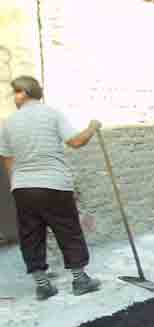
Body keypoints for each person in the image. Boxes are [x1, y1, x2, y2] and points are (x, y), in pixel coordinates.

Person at [0, 76, 102, 301]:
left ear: (24, 93)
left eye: (15, 93)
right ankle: (80, 280)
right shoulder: (52, 114)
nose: (14, 98)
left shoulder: (8, 122)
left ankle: (43, 286)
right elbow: (75, 142)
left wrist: (15, 181)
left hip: (23, 188)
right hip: (54, 184)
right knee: (68, 230)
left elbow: (6, 156)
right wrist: (92, 127)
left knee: (31, 235)